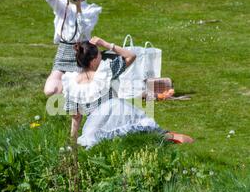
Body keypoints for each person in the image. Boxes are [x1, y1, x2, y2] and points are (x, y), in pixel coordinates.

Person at [61, 36, 194, 149]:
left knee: (136, 136)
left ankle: (164, 138)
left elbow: (76, 118)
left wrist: (73, 144)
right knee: (145, 128)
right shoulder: (105, 72)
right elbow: (131, 55)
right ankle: (171, 138)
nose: (102, 56)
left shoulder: (71, 83)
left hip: (95, 131)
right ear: (94, 60)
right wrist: (107, 44)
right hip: (118, 121)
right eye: (100, 54)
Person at [42, 0, 102, 96]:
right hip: (64, 50)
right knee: (50, 91)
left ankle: (76, 85)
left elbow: (82, 31)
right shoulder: (62, 5)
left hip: (82, 51)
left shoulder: (92, 10)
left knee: (76, 91)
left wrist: (78, 6)